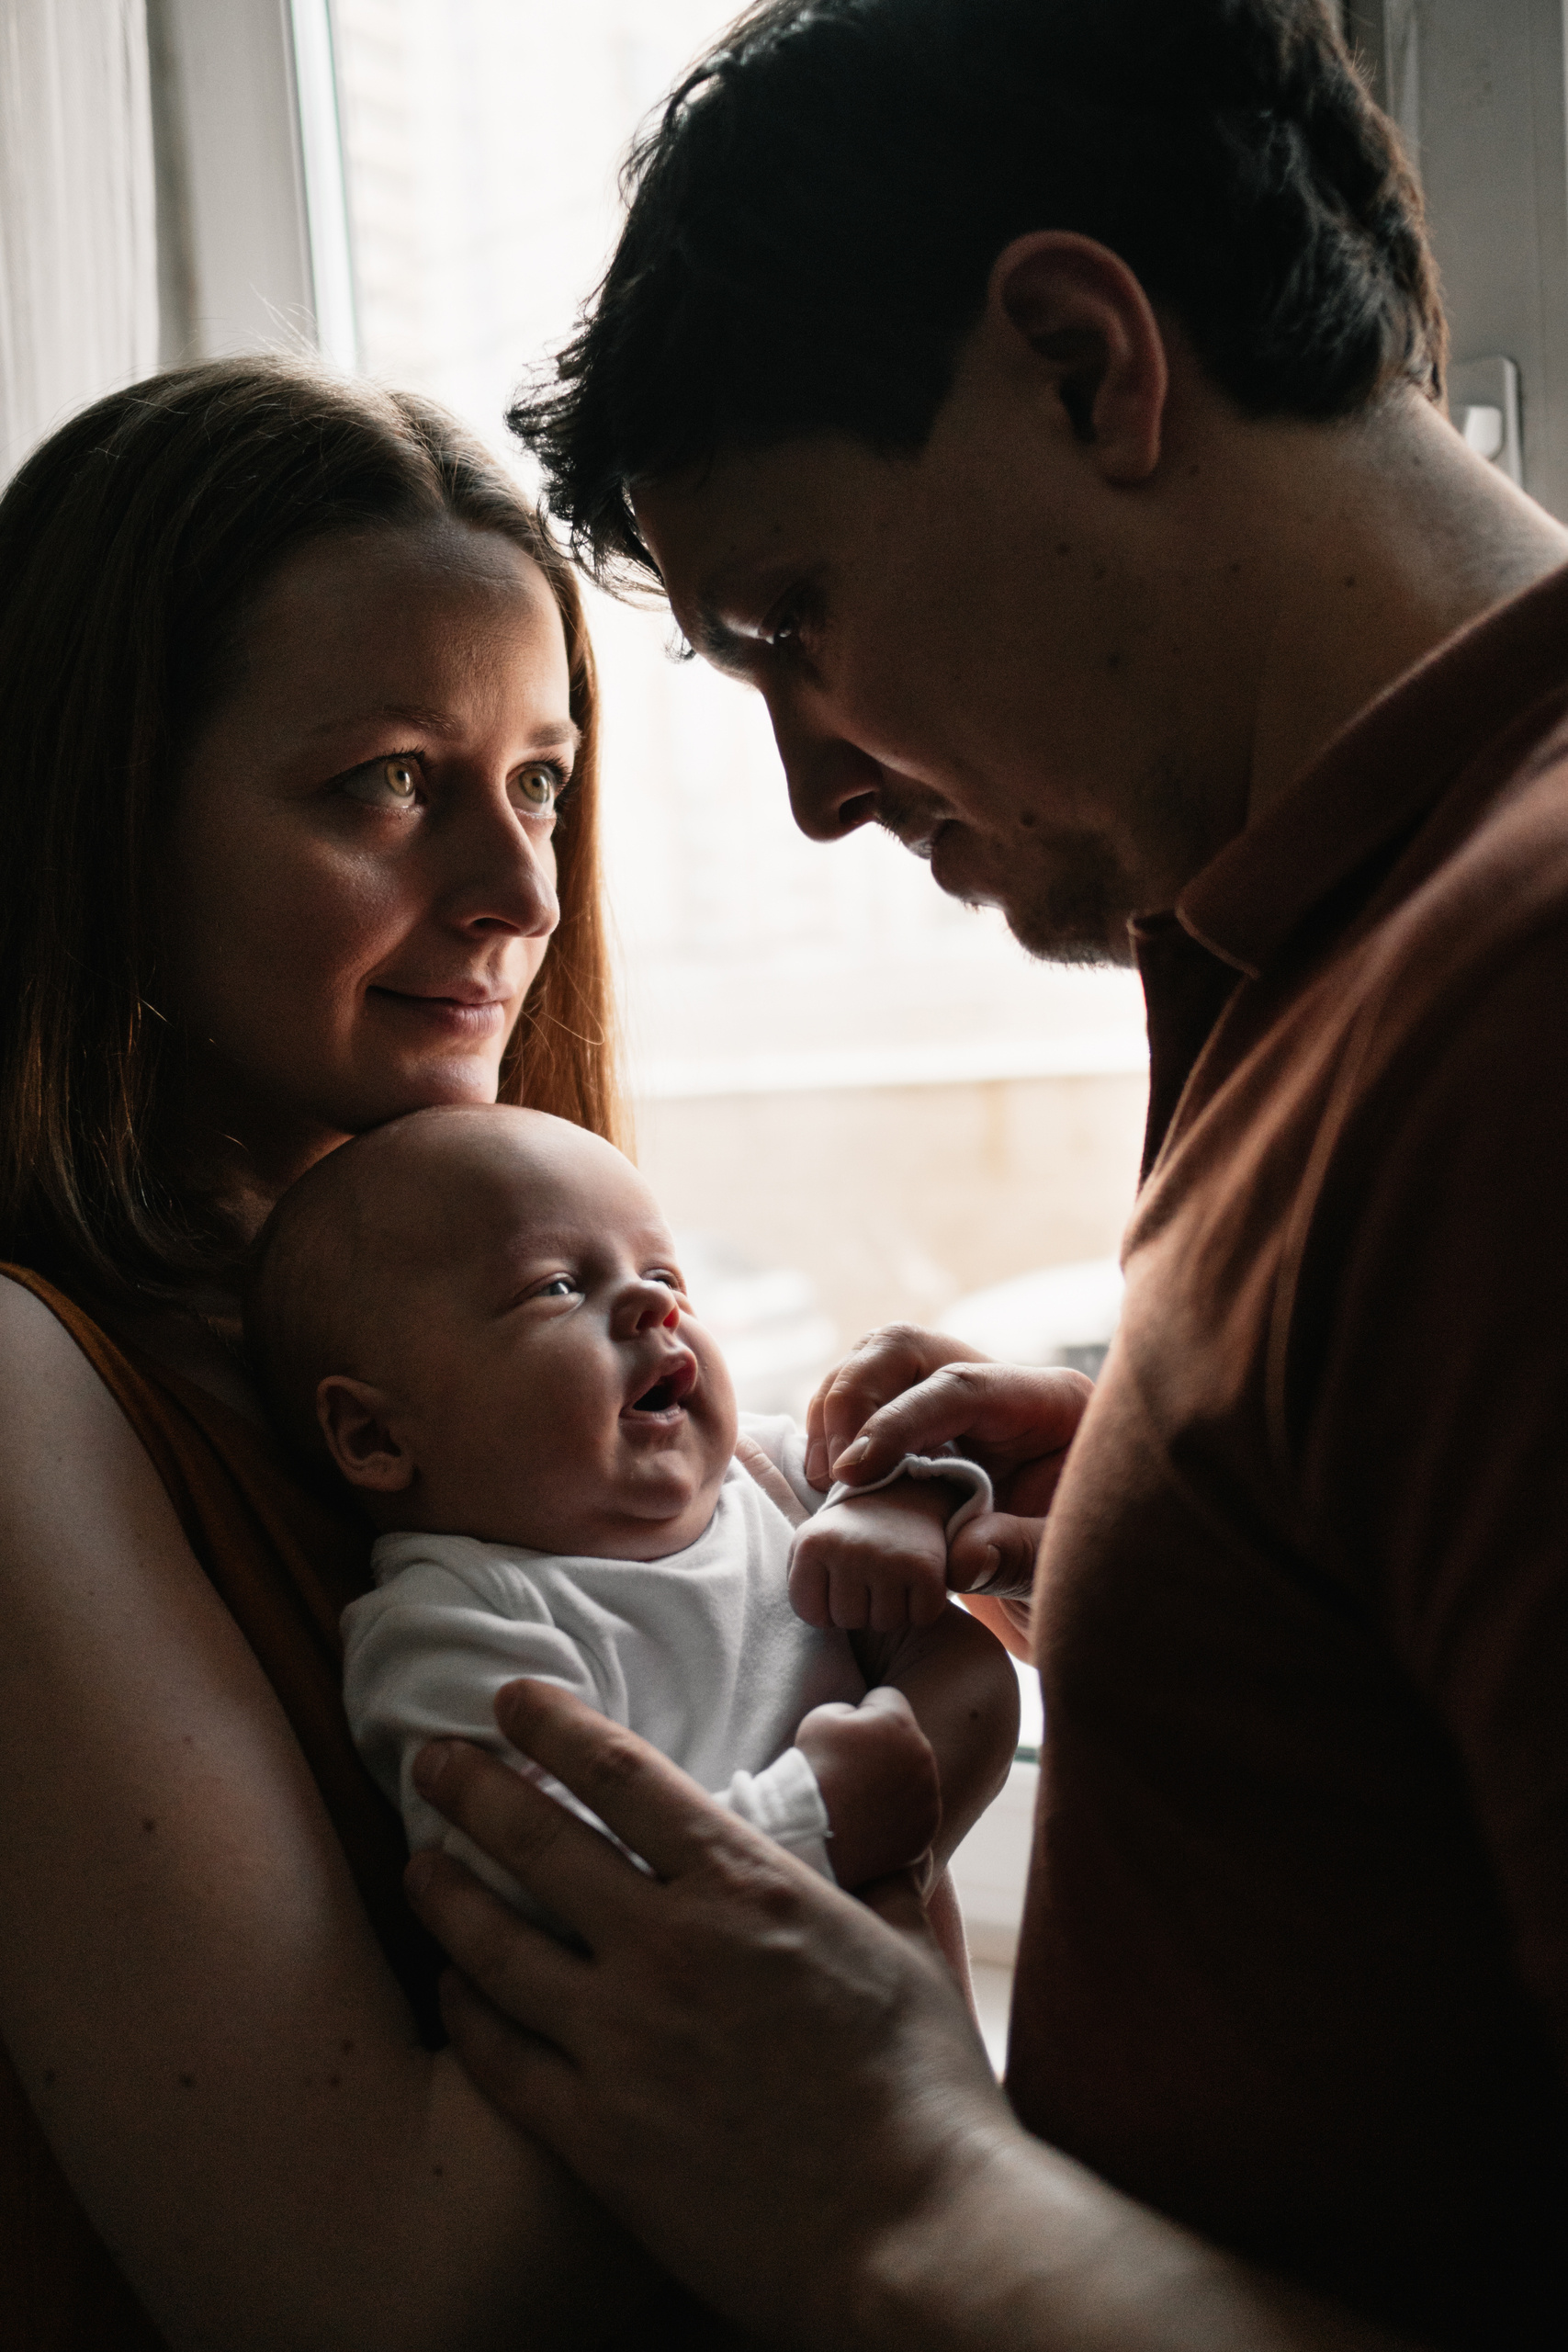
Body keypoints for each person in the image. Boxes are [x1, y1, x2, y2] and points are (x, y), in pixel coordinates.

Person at [398, 2, 1568, 2347]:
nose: (821, 790)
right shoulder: (1320, 943)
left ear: (1077, 359)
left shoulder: (1516, 1004)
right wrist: (1175, 1479)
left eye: (791, 620)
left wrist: (891, 2175)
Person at [0, 358, 716, 2348]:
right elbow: (370, 2291)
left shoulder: (540, 1338)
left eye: (542, 781)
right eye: (387, 779)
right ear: (99, 816)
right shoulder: (24, 1388)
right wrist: (841, 1766)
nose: (511, 894)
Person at [242, 1100, 1018, 1920]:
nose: (656, 1310)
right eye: (559, 1287)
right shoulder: (454, 1622)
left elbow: (936, 1460)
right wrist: (817, 1824)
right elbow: (543, 1880)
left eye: (663, 1275)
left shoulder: (762, 1474)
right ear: (375, 1435)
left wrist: (897, 1506)